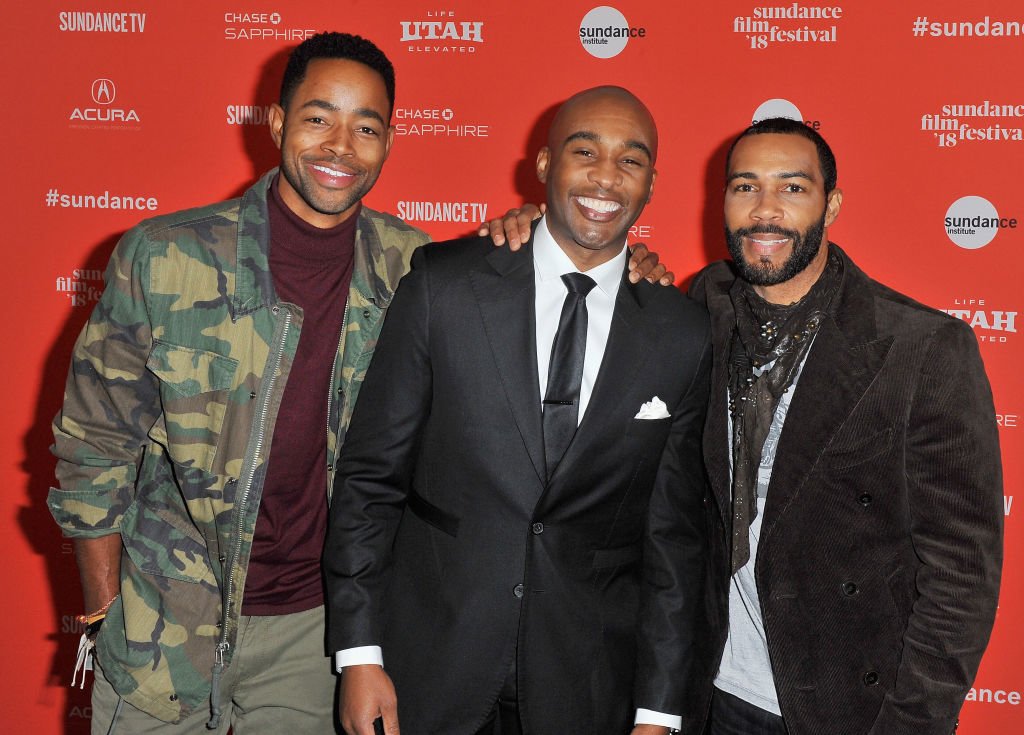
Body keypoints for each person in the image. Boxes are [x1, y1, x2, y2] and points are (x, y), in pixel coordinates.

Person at [47, 33, 668, 734]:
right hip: (164, 621)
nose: (341, 146)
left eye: (366, 126)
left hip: (318, 635)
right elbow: (91, 450)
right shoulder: (165, 257)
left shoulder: (416, 268)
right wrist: (104, 612)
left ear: (389, 141)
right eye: (318, 118)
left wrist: (619, 263)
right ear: (277, 123)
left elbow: (551, 272)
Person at [324, 86, 716, 735]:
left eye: (631, 161)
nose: (605, 178)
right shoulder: (442, 288)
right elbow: (370, 482)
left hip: (587, 688)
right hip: (429, 668)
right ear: (544, 165)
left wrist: (658, 709)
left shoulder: (682, 334)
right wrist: (360, 653)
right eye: (584, 151)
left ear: (651, 183)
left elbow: (673, 544)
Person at [689, 117, 1003, 735]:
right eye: (745, 187)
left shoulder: (921, 347)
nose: (765, 211)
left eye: (793, 188)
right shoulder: (706, 302)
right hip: (713, 691)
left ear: (831, 203)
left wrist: (911, 723)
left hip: (843, 706)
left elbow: (962, 570)